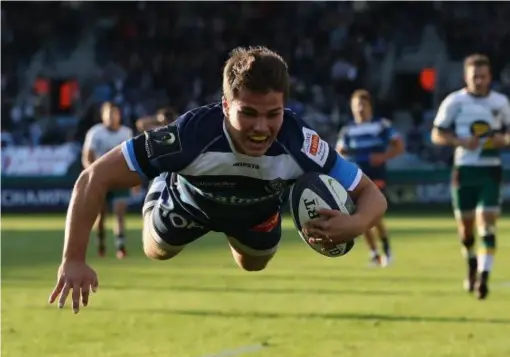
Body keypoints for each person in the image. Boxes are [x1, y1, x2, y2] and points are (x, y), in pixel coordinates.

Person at [49, 46, 387, 314]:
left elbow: (371, 195)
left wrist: (356, 223)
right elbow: (93, 177)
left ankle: (241, 223)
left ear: (285, 106)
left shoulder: (301, 142)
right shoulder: (190, 136)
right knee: (157, 252)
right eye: (248, 113)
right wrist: (73, 259)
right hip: (189, 204)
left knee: (253, 265)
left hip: (255, 211)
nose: (261, 127)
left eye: (273, 114)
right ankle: (165, 184)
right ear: (226, 107)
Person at [431, 54, 510, 299]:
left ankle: (483, 279)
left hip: (490, 169)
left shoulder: (500, 102)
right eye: (474, 76)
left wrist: (502, 141)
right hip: (463, 170)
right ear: (466, 77)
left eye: (483, 76)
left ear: (490, 77)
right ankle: (472, 263)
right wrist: (459, 141)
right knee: (466, 232)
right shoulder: (454, 101)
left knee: (486, 224)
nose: (479, 80)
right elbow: (437, 134)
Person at [336, 89, 404, 267]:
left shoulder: (381, 125)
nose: (359, 109)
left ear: (369, 106)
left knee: (373, 214)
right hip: (356, 177)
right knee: (361, 215)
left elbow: (398, 146)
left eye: (362, 105)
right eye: (356, 106)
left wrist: (382, 157)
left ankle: (386, 248)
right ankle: (375, 254)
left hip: (376, 174)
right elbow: (338, 152)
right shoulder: (348, 130)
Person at [82, 102, 134, 259]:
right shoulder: (95, 133)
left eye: (115, 113)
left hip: (119, 178)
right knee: (101, 215)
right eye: (109, 113)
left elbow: (130, 157)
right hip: (101, 179)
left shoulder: (126, 132)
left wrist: (133, 178)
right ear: (103, 116)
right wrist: (93, 174)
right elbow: (87, 156)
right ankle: (101, 242)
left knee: (119, 212)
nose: (113, 117)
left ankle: (120, 246)